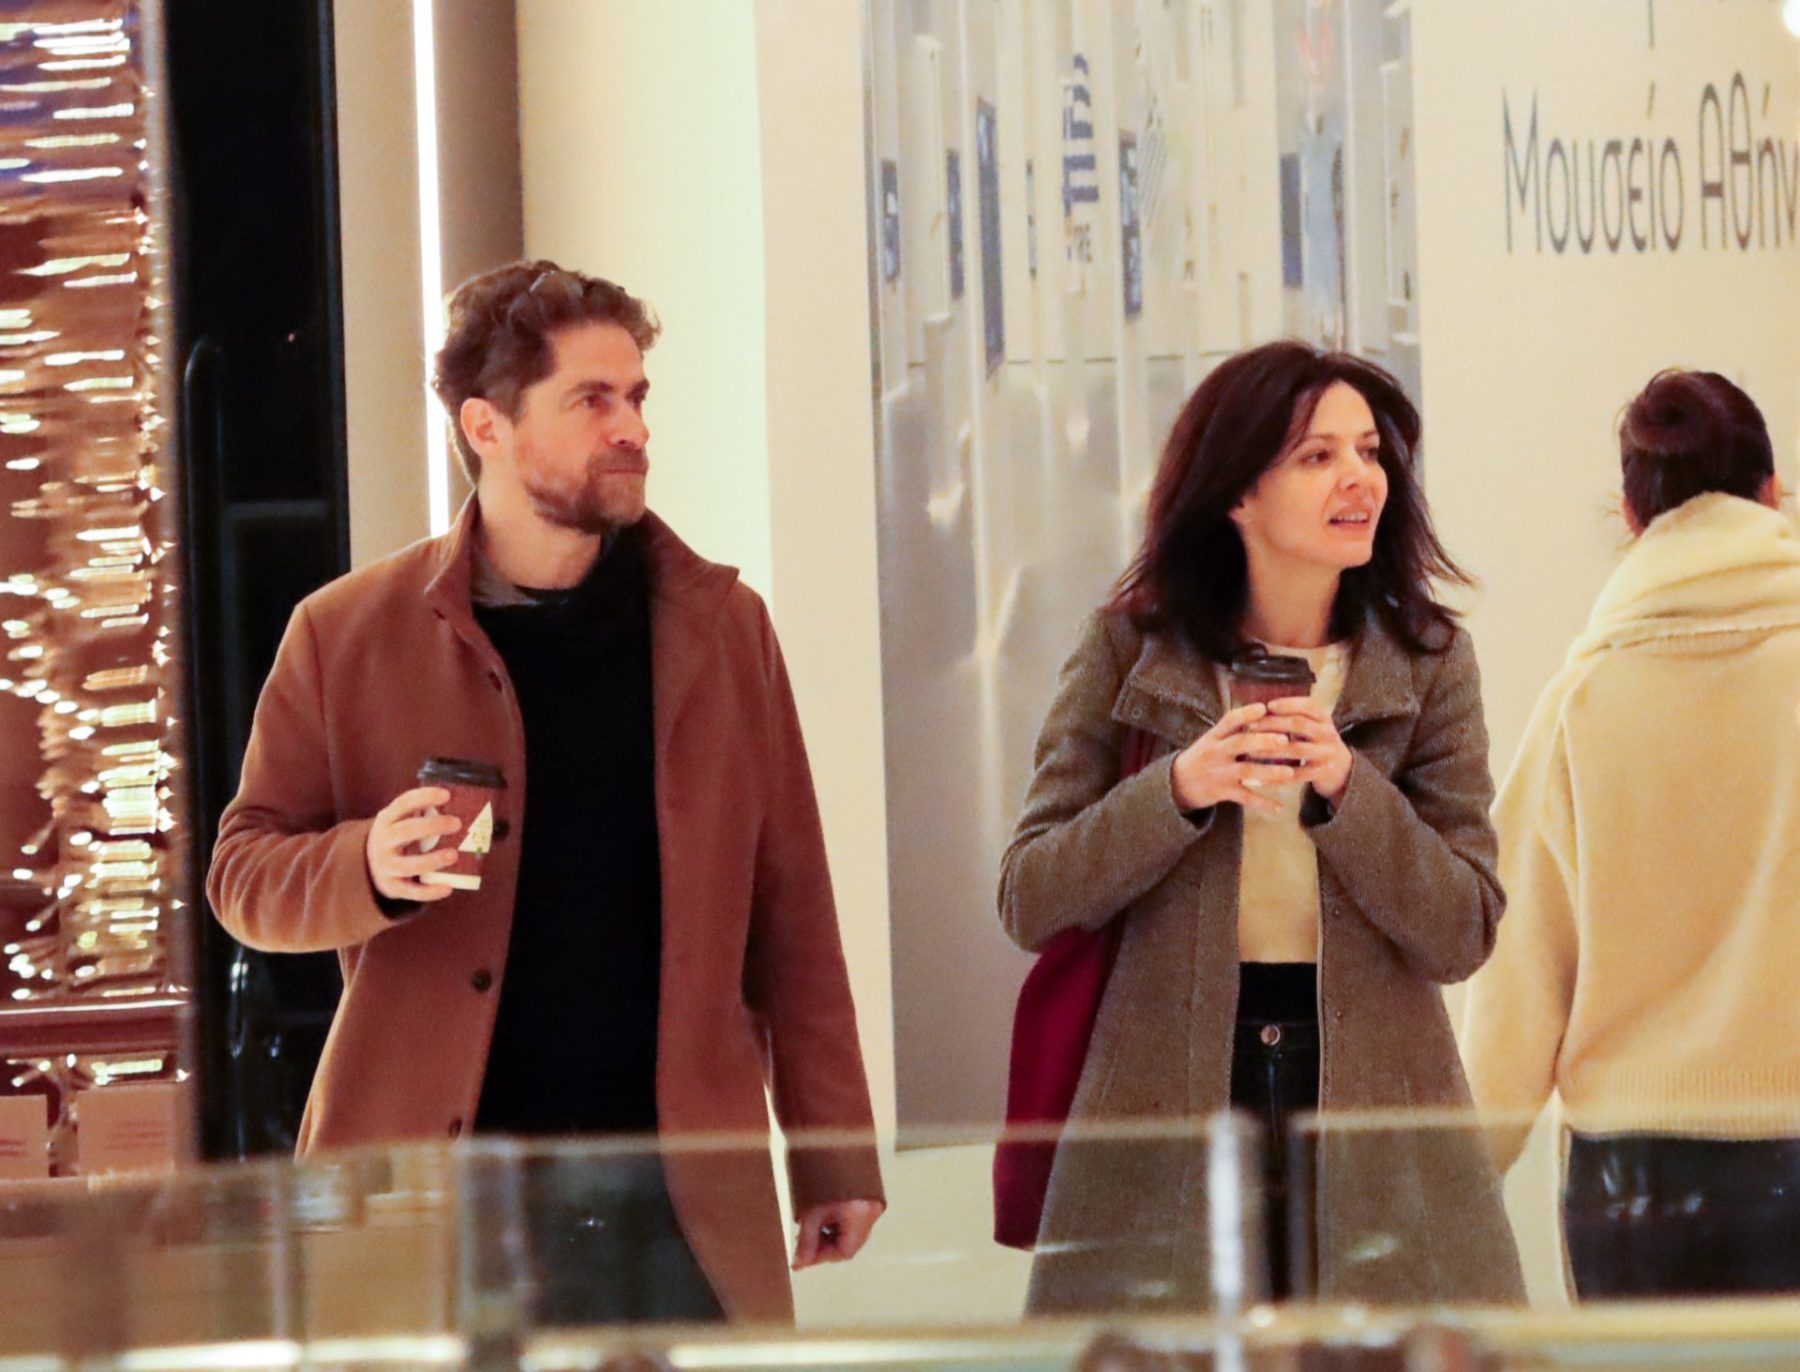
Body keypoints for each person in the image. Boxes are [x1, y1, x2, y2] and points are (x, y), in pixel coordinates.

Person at [207, 260, 884, 1323]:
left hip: (676, 1204)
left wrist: (833, 1150)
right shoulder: (344, 634)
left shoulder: (721, 630)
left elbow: (792, 908)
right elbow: (241, 875)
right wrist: (365, 864)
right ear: (487, 425)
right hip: (441, 1209)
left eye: (637, 397)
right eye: (591, 400)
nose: (633, 429)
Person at [998, 340, 1521, 1310]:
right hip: (1169, 1090)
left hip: (1374, 1100)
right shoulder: (1127, 647)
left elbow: (1464, 929)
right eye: (1318, 456)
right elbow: (1030, 895)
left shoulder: (1430, 660)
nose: (1359, 478)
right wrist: (1178, 790)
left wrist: (1347, 790)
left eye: (1369, 452)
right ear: (1237, 492)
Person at [1462, 369, 1800, 1299]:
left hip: (1635, 1179)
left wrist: (1460, 1179)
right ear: (1774, 492)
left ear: (1630, 516)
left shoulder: (1583, 701)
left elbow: (1518, 974)